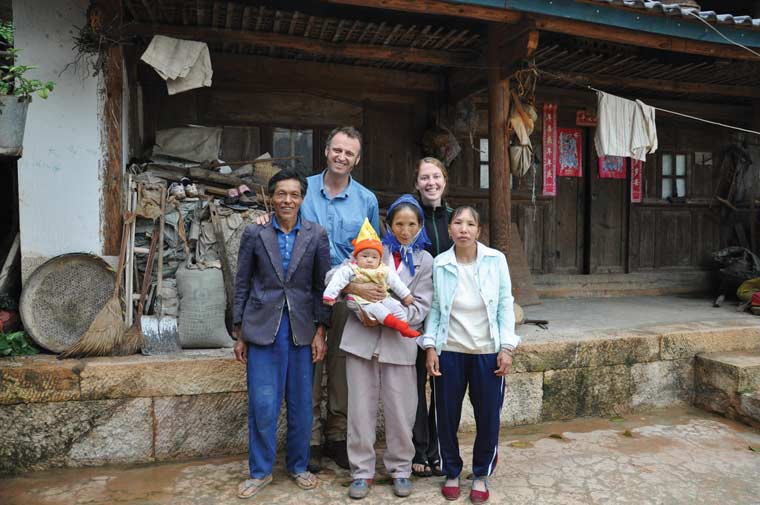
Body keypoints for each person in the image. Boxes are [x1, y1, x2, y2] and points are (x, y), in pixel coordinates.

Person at [256, 126, 380, 471]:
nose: (342, 157)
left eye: (349, 153)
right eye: (337, 150)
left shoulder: (366, 200)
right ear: (326, 151)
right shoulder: (303, 191)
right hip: (304, 293)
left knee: (341, 365)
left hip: (349, 296)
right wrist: (266, 217)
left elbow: (374, 252)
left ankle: (336, 436)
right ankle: (307, 438)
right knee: (309, 365)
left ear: (357, 159)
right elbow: (282, 215)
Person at [233, 169, 331, 499]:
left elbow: (321, 287)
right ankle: (260, 471)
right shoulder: (255, 233)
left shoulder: (316, 235)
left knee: (302, 403)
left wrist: (321, 330)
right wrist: (239, 331)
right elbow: (242, 282)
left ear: (302, 198)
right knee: (263, 403)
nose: (287, 200)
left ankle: (298, 466)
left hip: (302, 328)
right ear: (271, 198)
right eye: (281, 194)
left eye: (294, 194)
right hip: (262, 327)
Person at [420, 206, 520, 504]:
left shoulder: (495, 260)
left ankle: (480, 473)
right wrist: (430, 347)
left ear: (479, 230)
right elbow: (436, 309)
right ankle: (452, 470)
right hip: (449, 351)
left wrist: (506, 348)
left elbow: (505, 304)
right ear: (449, 229)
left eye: (470, 224)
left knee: (488, 416)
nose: (464, 229)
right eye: (458, 223)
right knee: (446, 417)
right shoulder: (440, 263)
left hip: (487, 353)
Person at [337, 194, 433, 499]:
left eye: (412, 224)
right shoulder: (370, 251)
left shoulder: (425, 261)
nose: (405, 230)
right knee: (360, 410)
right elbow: (340, 282)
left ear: (420, 226)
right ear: (388, 225)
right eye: (399, 224)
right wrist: (361, 309)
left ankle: (401, 468)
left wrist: (392, 315)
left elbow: (422, 306)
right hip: (361, 340)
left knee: (401, 409)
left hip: (399, 344)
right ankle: (362, 471)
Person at [411, 156, 453, 477]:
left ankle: (437, 448)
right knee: (415, 382)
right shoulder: (409, 218)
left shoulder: (455, 219)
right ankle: (418, 449)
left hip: (448, 315)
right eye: (425, 178)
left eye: (435, 176)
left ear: (444, 180)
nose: (431, 183)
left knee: (443, 385)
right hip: (416, 310)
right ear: (417, 183)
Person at [323, 218, 420, 338]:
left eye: (374, 257)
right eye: (365, 256)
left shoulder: (382, 269)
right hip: (363, 303)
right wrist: (330, 295)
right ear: (356, 257)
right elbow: (336, 280)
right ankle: (399, 326)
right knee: (379, 311)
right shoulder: (352, 268)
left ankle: (404, 326)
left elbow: (395, 282)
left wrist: (406, 295)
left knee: (397, 308)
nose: (369, 259)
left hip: (384, 298)